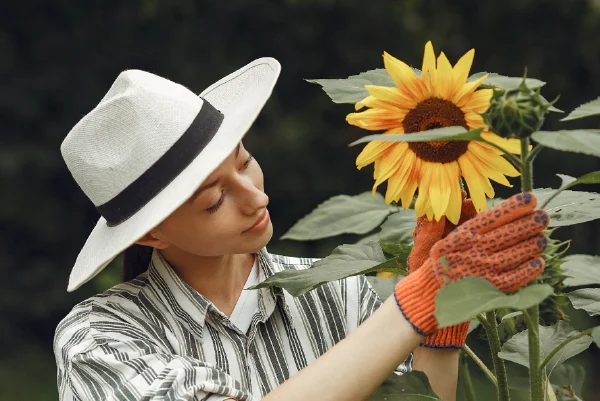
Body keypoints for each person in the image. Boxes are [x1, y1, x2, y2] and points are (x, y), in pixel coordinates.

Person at [54, 57, 549, 401]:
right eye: (215, 200)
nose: (256, 197)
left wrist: (441, 325)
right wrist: (414, 305)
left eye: (245, 163)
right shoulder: (100, 341)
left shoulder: (336, 293)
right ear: (151, 235)